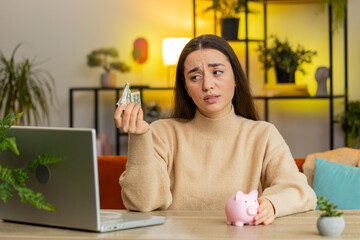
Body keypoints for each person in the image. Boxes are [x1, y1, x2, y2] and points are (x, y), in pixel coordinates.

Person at [114, 34, 316, 225]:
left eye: (217, 72)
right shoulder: (162, 133)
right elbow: (143, 202)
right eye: (195, 77)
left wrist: (271, 204)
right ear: (185, 87)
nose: (207, 85)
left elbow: (301, 192)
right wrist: (139, 137)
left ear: (236, 78)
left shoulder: (262, 135)